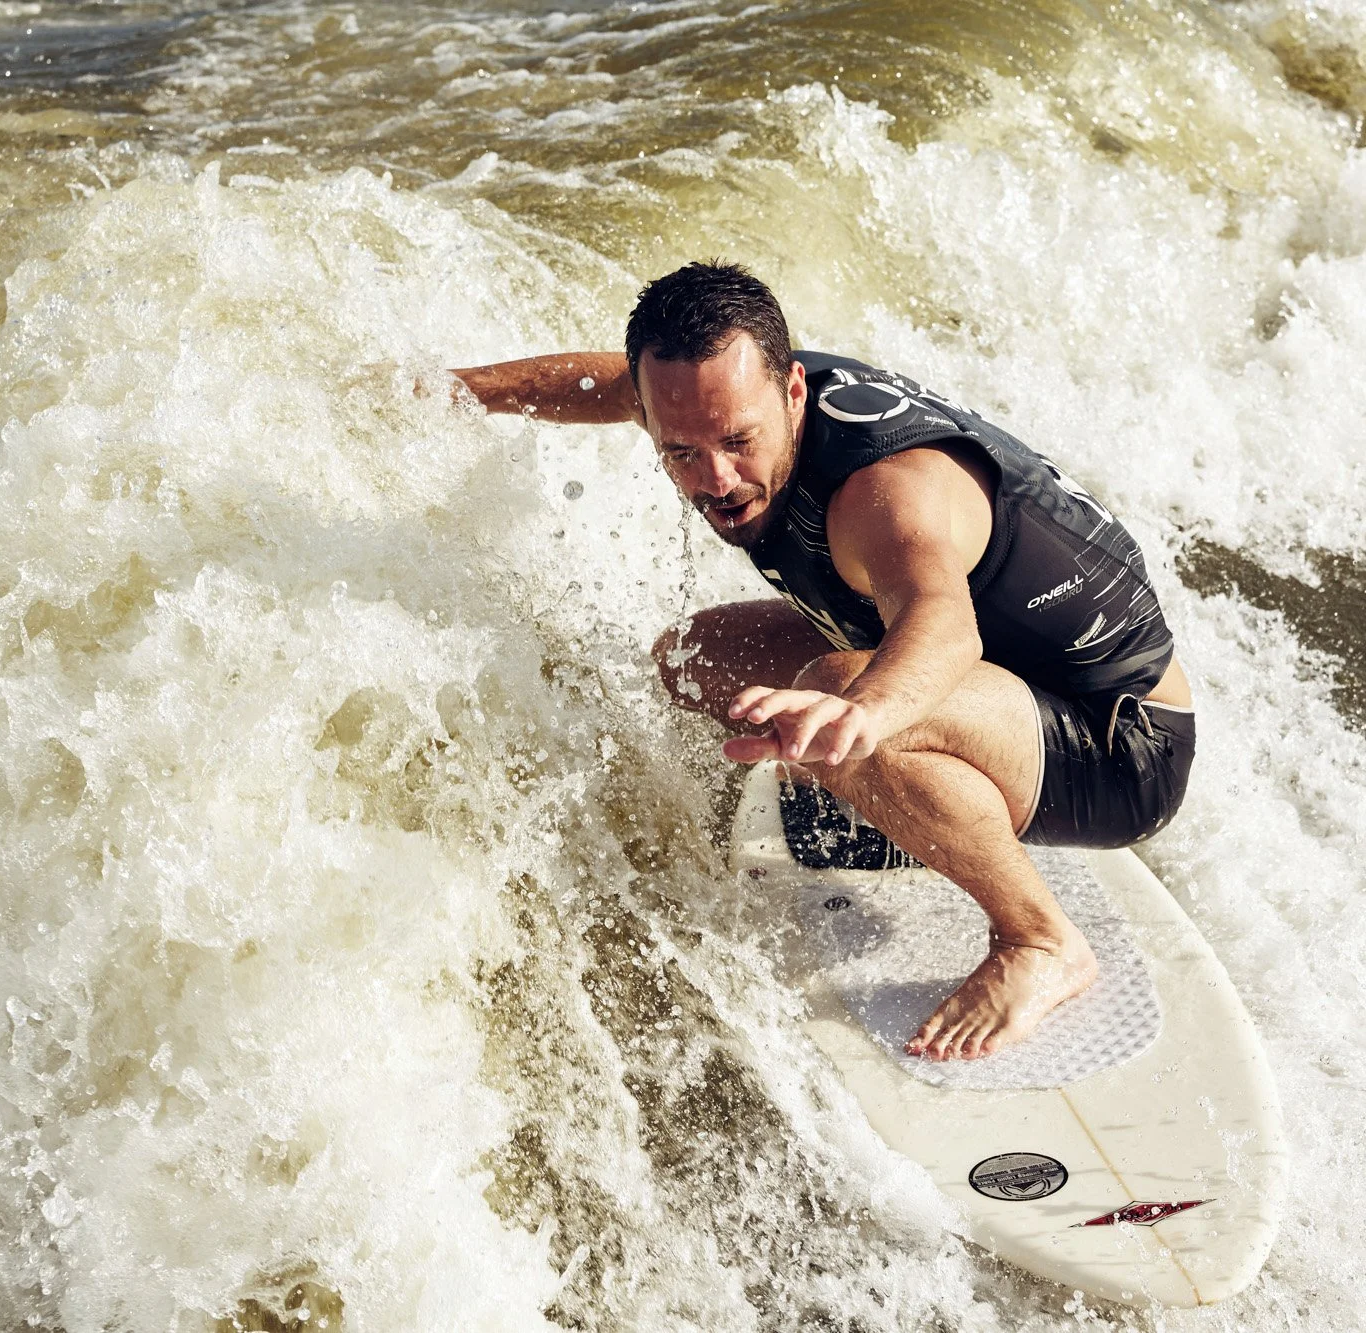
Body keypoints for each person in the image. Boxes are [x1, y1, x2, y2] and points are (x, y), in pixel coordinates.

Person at [446, 263, 1194, 1062]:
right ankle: (910, 813)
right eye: (682, 453)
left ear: (793, 391)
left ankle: (1040, 940)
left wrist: (864, 711)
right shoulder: (708, 396)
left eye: (737, 443)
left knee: (835, 687)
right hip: (1002, 693)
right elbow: (605, 384)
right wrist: (456, 391)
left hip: (1118, 739)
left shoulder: (883, 494)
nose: (716, 481)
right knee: (695, 660)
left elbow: (942, 626)